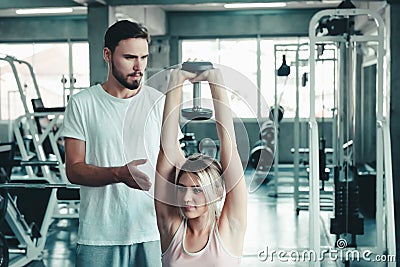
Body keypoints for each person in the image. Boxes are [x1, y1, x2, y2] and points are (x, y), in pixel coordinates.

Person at [61, 20, 164, 267]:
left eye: (144, 57)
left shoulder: (158, 101)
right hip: (98, 236)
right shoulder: (82, 103)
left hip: (150, 232)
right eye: (130, 57)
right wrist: (118, 173)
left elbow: (172, 161)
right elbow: (74, 170)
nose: (139, 67)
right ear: (107, 54)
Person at [155, 65, 247, 266]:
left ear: (217, 192)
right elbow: (167, 148)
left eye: (197, 190)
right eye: (182, 189)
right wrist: (175, 82)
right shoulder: (171, 229)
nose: (186, 198)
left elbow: (229, 147)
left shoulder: (230, 228)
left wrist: (215, 81)